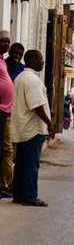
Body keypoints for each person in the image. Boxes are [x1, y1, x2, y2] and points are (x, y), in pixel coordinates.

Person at [10, 50, 55, 206]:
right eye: (41, 59)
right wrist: (49, 123)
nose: (43, 62)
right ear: (32, 60)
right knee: (31, 165)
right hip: (32, 129)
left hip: (22, 127)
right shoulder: (32, 80)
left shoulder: (20, 77)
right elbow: (36, 105)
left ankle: (18, 195)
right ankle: (29, 197)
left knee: (21, 164)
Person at [0, 30, 14, 199]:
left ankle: (2, 185)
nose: (6, 44)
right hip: (1, 109)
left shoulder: (3, 61)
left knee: (3, 150)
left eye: (7, 42)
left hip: (5, 110)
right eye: (3, 41)